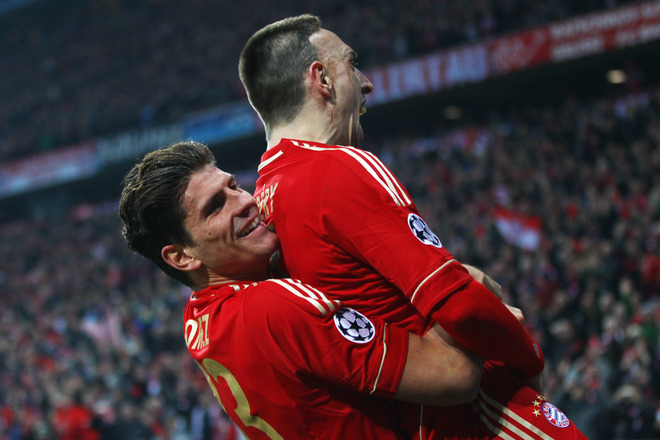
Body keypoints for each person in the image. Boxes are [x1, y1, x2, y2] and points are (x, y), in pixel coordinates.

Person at [240, 15, 588, 439]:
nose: (366, 83)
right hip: (478, 413)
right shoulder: (341, 167)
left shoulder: (261, 203)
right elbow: (458, 304)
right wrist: (530, 360)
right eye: (351, 65)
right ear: (322, 80)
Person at [118, 141, 485, 439]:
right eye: (216, 207)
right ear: (181, 257)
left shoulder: (198, 318)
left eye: (233, 186)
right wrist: (462, 284)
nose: (245, 201)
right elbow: (456, 375)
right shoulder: (272, 306)